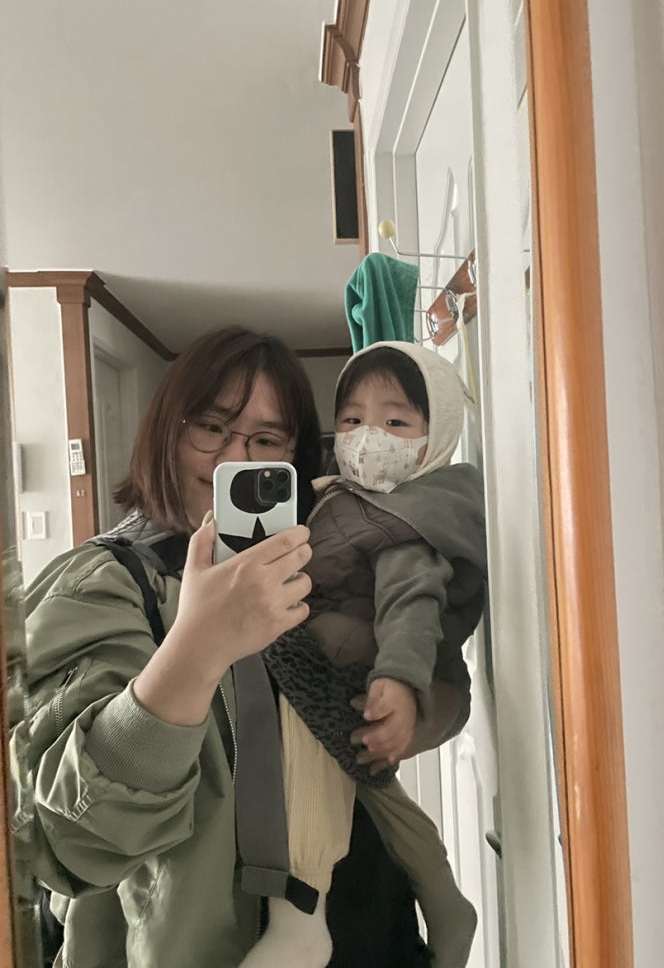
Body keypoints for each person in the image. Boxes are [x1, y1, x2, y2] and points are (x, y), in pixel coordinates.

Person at [10, 326, 470, 968]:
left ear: (294, 457)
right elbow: (69, 839)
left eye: (265, 440)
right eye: (211, 427)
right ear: (166, 432)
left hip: (373, 924)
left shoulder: (318, 556)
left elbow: (441, 678)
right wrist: (197, 648)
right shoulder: (107, 583)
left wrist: (410, 713)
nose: (234, 458)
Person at [253, 342, 487, 968]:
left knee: (316, 767)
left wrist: (400, 681)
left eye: (395, 421)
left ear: (436, 435)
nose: (367, 437)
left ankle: (301, 912)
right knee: (375, 788)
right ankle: (444, 900)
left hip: (356, 674)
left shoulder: (411, 517)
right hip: (341, 666)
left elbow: (412, 604)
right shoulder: (347, 497)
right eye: (352, 419)